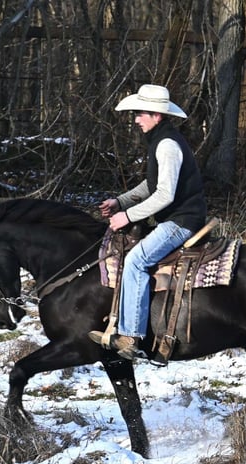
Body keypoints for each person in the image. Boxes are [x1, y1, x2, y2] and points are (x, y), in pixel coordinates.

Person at [88, 84, 207, 360]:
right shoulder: (162, 141)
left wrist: (126, 216)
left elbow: (164, 194)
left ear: (157, 115)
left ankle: (132, 336)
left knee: (136, 261)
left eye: (141, 113)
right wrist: (121, 201)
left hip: (181, 222)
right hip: (176, 218)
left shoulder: (166, 145)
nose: (136, 119)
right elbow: (150, 184)